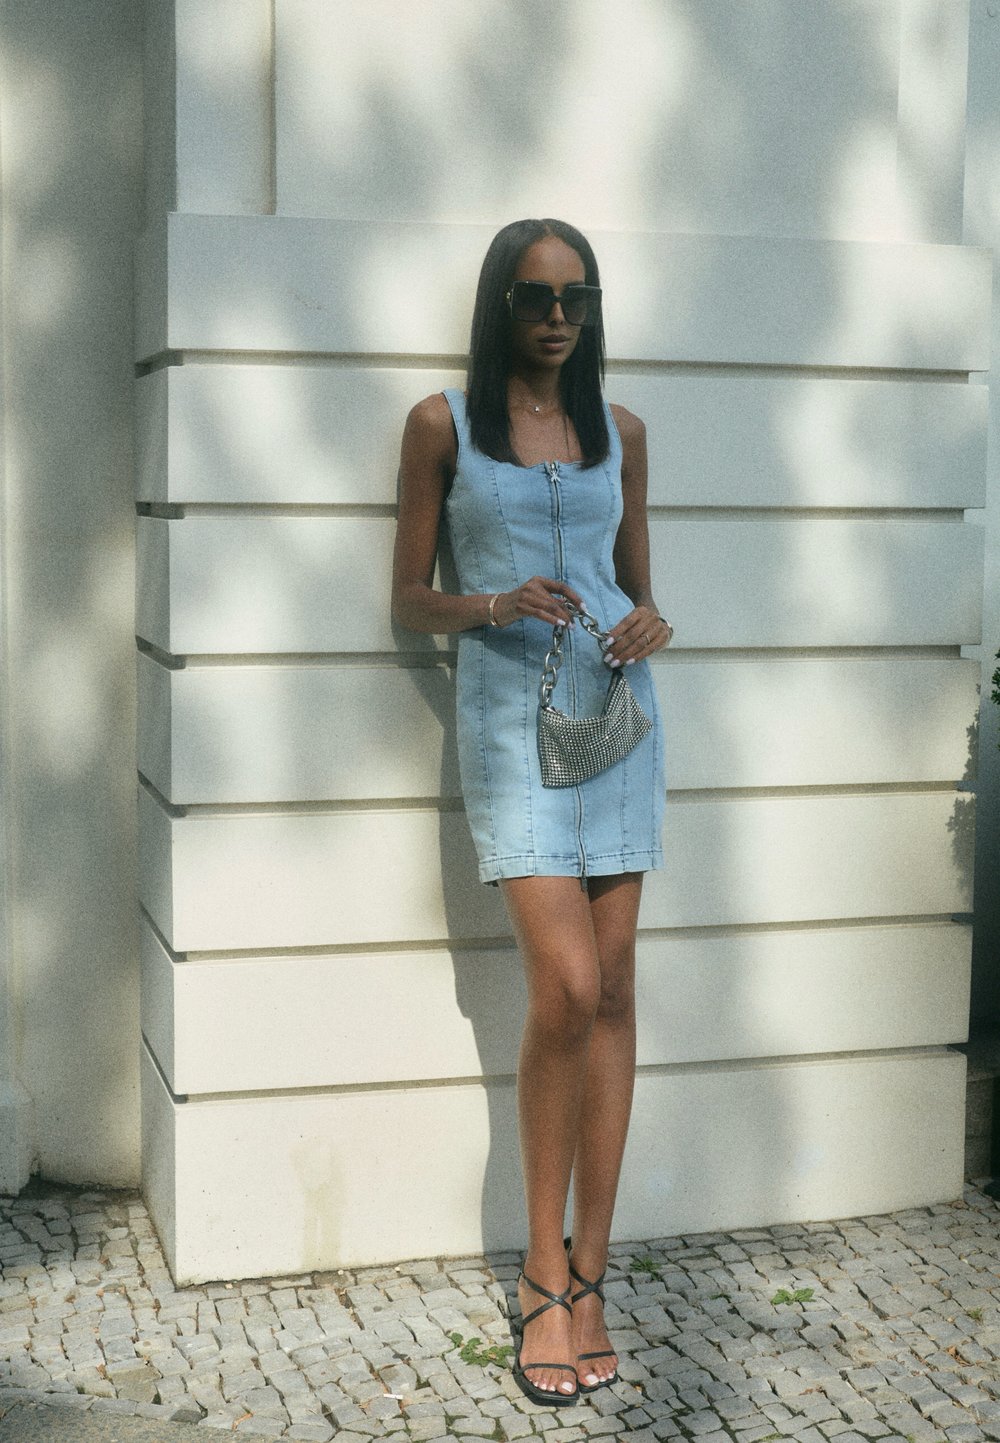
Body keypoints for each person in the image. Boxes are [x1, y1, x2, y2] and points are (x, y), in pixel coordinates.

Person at [391, 218, 672, 1407]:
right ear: (499, 304)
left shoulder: (624, 432)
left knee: (611, 991)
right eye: (534, 294)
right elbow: (409, 600)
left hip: (616, 726)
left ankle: (591, 1277)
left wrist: (652, 619)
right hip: (511, 734)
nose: (557, 314)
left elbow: (640, 589)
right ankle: (538, 1274)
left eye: (575, 295)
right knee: (562, 987)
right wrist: (495, 597)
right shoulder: (443, 427)